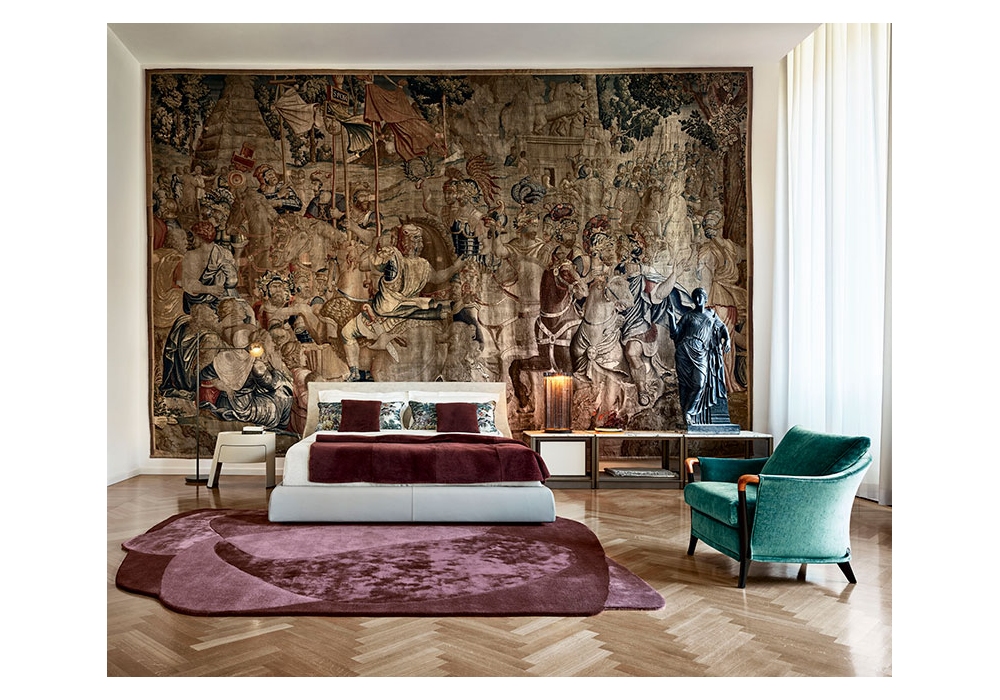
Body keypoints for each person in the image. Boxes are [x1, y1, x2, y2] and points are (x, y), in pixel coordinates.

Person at [341, 223, 463, 380]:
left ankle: (354, 371)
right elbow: (439, 277)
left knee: (346, 332)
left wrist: (373, 245)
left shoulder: (392, 257)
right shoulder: (423, 264)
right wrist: (456, 266)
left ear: (402, 241)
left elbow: (363, 265)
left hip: (387, 312)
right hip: (414, 309)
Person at [667, 287, 732, 426]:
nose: (697, 299)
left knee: (700, 383)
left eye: (700, 296)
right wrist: (671, 318)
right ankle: (686, 416)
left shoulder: (711, 314)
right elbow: (675, 334)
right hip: (684, 350)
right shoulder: (688, 316)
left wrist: (727, 340)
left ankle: (690, 411)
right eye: (695, 297)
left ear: (705, 298)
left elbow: (723, 328)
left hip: (701, 352)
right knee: (685, 385)